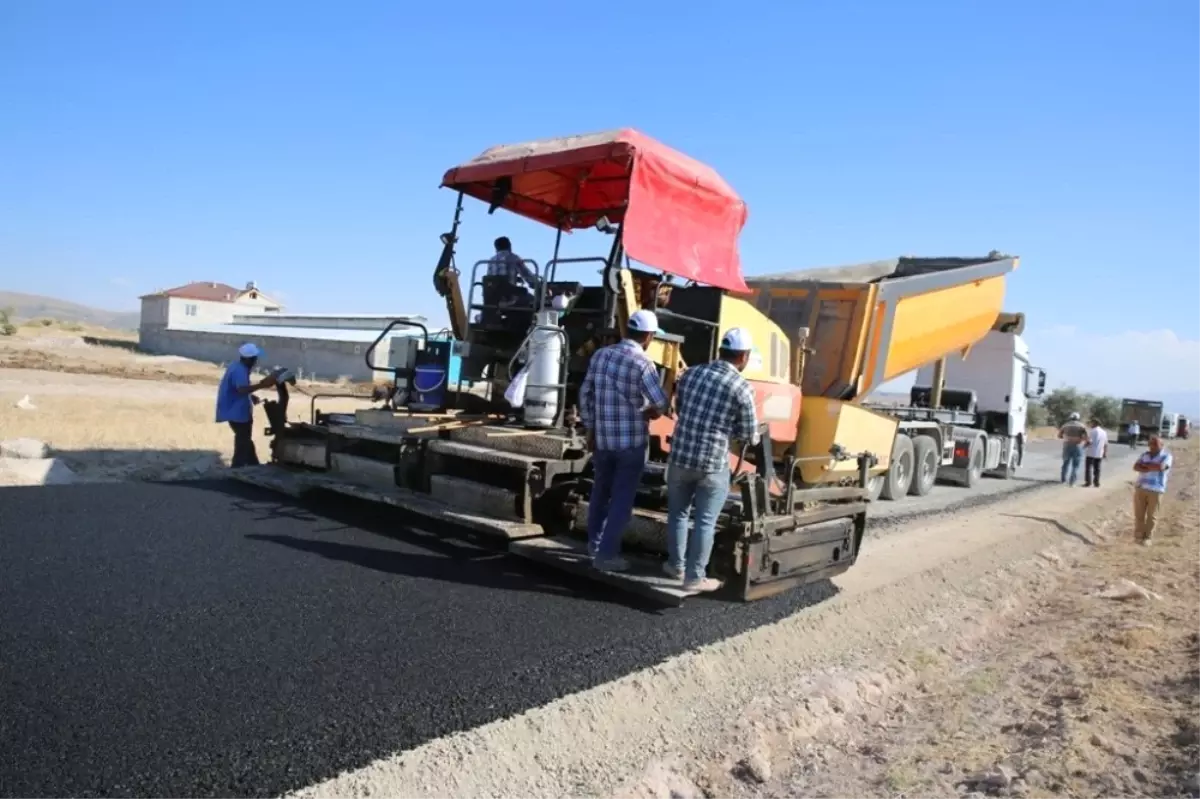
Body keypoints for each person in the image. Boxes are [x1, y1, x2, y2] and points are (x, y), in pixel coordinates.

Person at [663, 328, 760, 594]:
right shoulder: (742, 388)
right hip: (711, 463)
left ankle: (675, 566)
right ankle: (694, 578)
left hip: (680, 457)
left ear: (721, 351)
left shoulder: (691, 374)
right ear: (743, 356)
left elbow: (680, 409)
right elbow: (748, 435)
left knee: (678, 514)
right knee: (705, 521)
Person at [578, 310, 672, 572]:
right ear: (649, 337)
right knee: (621, 499)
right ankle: (607, 556)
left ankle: (594, 546)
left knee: (599, 493)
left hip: (603, 440)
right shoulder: (643, 364)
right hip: (631, 443)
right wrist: (653, 411)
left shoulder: (601, 355)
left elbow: (585, 393)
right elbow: (661, 402)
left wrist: (590, 427)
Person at [215, 343, 278, 468]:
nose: (256, 361)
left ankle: (254, 465)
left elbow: (239, 389)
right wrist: (262, 385)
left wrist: (251, 396)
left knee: (245, 440)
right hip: (237, 413)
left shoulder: (236, 366)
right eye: (255, 358)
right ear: (250, 359)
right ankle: (236, 468)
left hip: (234, 411)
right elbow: (241, 389)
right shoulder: (240, 371)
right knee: (242, 442)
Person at [1131, 434, 1173, 546]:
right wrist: (1151, 466)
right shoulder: (1145, 454)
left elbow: (1161, 467)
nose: (1152, 445)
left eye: (1155, 443)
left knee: (1152, 516)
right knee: (1139, 514)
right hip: (1141, 487)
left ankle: (1147, 537)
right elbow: (1135, 467)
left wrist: (1145, 466)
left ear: (1162, 445)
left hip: (1156, 489)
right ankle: (1138, 536)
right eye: (1151, 443)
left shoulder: (1166, 456)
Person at [486, 236, 538, 303]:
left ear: (496, 248)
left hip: (492, 298)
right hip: (509, 298)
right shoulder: (514, 258)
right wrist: (537, 284)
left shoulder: (491, 260)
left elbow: (492, 279)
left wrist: (515, 278)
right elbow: (528, 277)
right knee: (534, 301)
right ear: (509, 246)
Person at [1057, 411, 1089, 486]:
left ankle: (1063, 479)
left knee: (1065, 463)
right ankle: (1072, 482)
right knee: (1075, 465)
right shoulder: (1082, 426)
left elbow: (1059, 435)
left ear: (1070, 417)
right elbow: (1086, 438)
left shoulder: (1065, 425)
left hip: (1067, 445)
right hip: (1077, 446)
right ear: (1078, 418)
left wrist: (1066, 437)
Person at [1083, 417, 1108, 488]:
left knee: (1088, 468)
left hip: (1091, 453)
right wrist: (1105, 453)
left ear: (1094, 423)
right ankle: (1096, 483)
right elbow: (1106, 444)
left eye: (1091, 423)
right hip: (1099, 453)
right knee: (1097, 468)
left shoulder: (1093, 431)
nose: (1090, 424)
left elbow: (1089, 441)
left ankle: (1088, 482)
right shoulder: (1104, 432)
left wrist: (1084, 447)